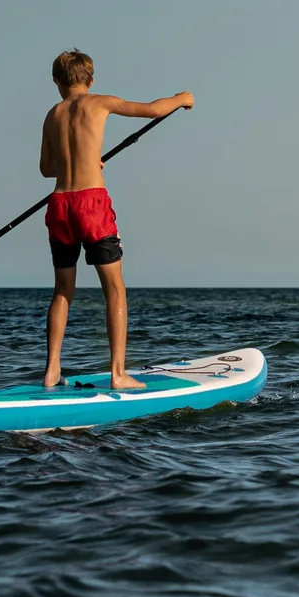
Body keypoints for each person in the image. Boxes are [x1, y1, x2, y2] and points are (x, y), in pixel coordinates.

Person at [38, 50, 193, 390]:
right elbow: (153, 109)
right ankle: (118, 373)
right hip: (91, 204)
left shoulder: (52, 115)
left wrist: (80, 161)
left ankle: (51, 371)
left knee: (62, 291)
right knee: (114, 289)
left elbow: (46, 168)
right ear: (91, 80)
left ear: (57, 82)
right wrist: (181, 99)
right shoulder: (100, 102)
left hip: (60, 204)